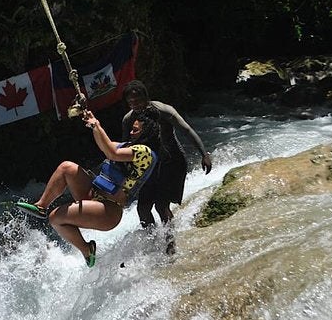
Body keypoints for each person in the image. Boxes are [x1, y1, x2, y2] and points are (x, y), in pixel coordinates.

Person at [16, 107, 161, 268]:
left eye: (135, 130)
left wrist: (97, 125)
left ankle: (86, 249)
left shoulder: (145, 152)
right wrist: (93, 122)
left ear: (146, 132)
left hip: (108, 211)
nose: (132, 133)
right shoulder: (129, 146)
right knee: (67, 168)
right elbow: (105, 145)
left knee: (55, 218)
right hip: (94, 196)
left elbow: (111, 153)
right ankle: (41, 206)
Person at [121, 80, 212, 254]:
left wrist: (204, 154)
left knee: (161, 206)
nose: (135, 105)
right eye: (131, 102)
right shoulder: (129, 119)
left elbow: (186, 130)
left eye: (138, 100)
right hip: (149, 166)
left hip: (172, 162)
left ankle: (170, 245)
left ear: (146, 97)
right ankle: (153, 243)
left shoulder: (163, 111)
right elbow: (126, 145)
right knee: (143, 208)